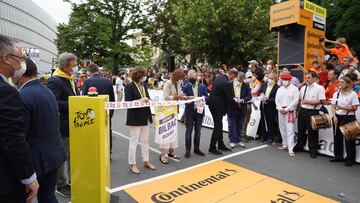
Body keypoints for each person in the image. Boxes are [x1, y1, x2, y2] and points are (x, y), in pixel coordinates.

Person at [17, 58, 66, 202]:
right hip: (54, 154)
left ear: (21, 72)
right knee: (48, 195)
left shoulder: (23, 95)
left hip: (36, 159)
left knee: (31, 196)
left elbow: (20, 135)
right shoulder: (46, 90)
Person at [0, 34, 39, 202]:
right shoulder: (6, 92)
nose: (22, 63)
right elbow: (13, 138)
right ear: (6, 58)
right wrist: (29, 177)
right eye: (20, 58)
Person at [47, 52, 79, 197]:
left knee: (73, 155)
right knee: (62, 156)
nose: (77, 67)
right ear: (66, 65)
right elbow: (54, 102)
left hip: (75, 123)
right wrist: (75, 104)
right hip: (64, 125)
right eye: (75, 64)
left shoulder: (69, 78)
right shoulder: (56, 80)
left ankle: (73, 180)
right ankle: (61, 184)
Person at [125, 66, 156, 174]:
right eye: (144, 74)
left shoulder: (144, 86)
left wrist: (151, 101)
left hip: (145, 116)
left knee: (145, 140)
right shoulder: (129, 86)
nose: (145, 76)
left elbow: (147, 99)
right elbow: (127, 102)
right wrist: (141, 100)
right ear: (139, 75)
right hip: (134, 117)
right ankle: (132, 164)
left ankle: (146, 161)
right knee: (134, 141)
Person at [82, 64, 115, 155]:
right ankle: (108, 151)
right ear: (98, 70)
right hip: (106, 110)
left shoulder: (87, 82)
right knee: (107, 131)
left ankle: (94, 150)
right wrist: (111, 112)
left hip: (92, 112)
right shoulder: (108, 81)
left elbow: (84, 98)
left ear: (89, 72)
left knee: (93, 132)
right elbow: (112, 99)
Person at [294, 71, 326, 158]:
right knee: (301, 129)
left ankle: (313, 150)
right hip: (303, 110)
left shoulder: (319, 88)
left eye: (309, 77)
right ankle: (300, 146)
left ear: (314, 78)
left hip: (313, 111)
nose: (307, 79)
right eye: (306, 77)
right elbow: (300, 99)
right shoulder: (304, 87)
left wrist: (308, 102)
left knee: (313, 131)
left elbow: (321, 101)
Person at [208, 68, 238, 155]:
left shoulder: (219, 77)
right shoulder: (226, 83)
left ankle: (220, 144)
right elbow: (229, 97)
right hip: (218, 107)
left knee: (219, 125)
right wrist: (236, 101)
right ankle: (212, 147)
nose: (234, 79)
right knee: (218, 126)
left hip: (213, 105)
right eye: (234, 77)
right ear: (232, 75)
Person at [330, 77, 359, 166]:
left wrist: (342, 108)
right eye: (339, 82)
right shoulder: (336, 94)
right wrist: (334, 116)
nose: (340, 84)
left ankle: (350, 159)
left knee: (349, 139)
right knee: (337, 137)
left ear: (347, 84)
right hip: (337, 117)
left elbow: (355, 108)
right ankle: (338, 156)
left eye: (342, 82)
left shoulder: (352, 94)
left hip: (348, 118)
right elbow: (333, 106)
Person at [160, 68, 186, 163]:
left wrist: (184, 97)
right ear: (176, 77)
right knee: (166, 131)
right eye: (180, 77)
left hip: (175, 109)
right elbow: (166, 96)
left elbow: (179, 94)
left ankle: (172, 151)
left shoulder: (178, 84)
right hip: (167, 110)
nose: (181, 79)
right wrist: (176, 97)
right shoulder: (168, 83)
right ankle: (162, 154)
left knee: (174, 131)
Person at [182, 70, 208, 158]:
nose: (193, 78)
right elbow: (183, 97)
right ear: (189, 78)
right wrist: (187, 99)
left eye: (194, 76)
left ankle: (196, 148)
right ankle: (188, 150)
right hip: (189, 111)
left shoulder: (202, 86)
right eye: (191, 77)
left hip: (199, 111)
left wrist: (204, 99)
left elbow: (207, 97)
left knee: (198, 132)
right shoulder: (186, 86)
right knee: (188, 131)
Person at [275, 74, 300, 157]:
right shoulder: (280, 89)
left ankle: (291, 148)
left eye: (286, 80)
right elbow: (277, 100)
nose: (284, 81)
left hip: (290, 111)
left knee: (290, 130)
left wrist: (287, 109)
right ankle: (285, 144)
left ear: (290, 80)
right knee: (282, 128)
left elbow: (295, 101)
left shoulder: (295, 89)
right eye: (283, 80)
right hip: (280, 110)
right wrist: (280, 108)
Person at [226, 72, 252, 148]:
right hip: (231, 107)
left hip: (242, 107)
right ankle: (232, 141)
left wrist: (242, 100)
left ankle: (239, 140)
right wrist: (233, 99)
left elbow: (249, 96)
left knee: (240, 125)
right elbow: (227, 95)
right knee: (232, 125)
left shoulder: (246, 85)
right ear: (236, 77)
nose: (240, 82)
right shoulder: (229, 84)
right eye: (239, 80)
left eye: (242, 81)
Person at [258, 73, 280, 144]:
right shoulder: (264, 85)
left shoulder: (277, 87)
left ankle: (270, 137)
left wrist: (267, 100)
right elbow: (260, 92)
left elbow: (276, 99)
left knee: (271, 122)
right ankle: (264, 136)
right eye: (269, 78)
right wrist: (261, 95)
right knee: (263, 121)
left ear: (275, 79)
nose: (269, 79)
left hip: (271, 107)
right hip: (263, 106)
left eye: (271, 78)